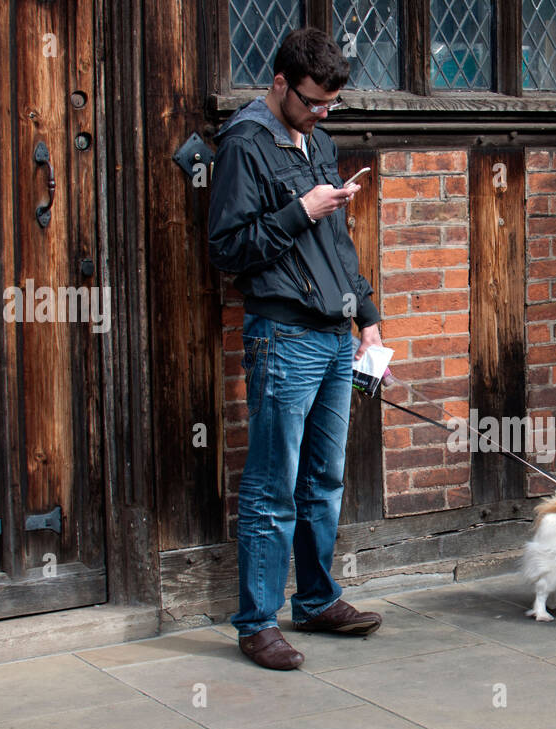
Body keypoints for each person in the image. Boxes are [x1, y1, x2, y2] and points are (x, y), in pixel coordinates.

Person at [208, 27, 383, 670]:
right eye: (313, 101)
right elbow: (227, 250)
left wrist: (366, 317)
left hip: (337, 337)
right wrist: (300, 210)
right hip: (283, 336)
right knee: (272, 487)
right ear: (280, 84)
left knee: (324, 481)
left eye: (332, 103)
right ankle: (257, 622)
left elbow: (337, 243)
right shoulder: (245, 145)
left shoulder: (319, 139)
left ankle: (314, 600)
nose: (323, 113)